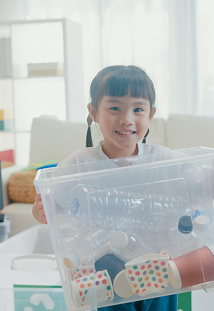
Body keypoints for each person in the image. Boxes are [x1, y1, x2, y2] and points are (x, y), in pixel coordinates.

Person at [32, 65, 178, 311]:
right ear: (94, 112)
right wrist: (41, 209)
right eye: (114, 108)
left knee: (165, 288)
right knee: (109, 284)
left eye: (138, 109)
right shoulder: (78, 164)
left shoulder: (163, 161)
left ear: (150, 114)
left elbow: (193, 192)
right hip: (103, 266)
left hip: (154, 261)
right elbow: (48, 207)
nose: (127, 119)